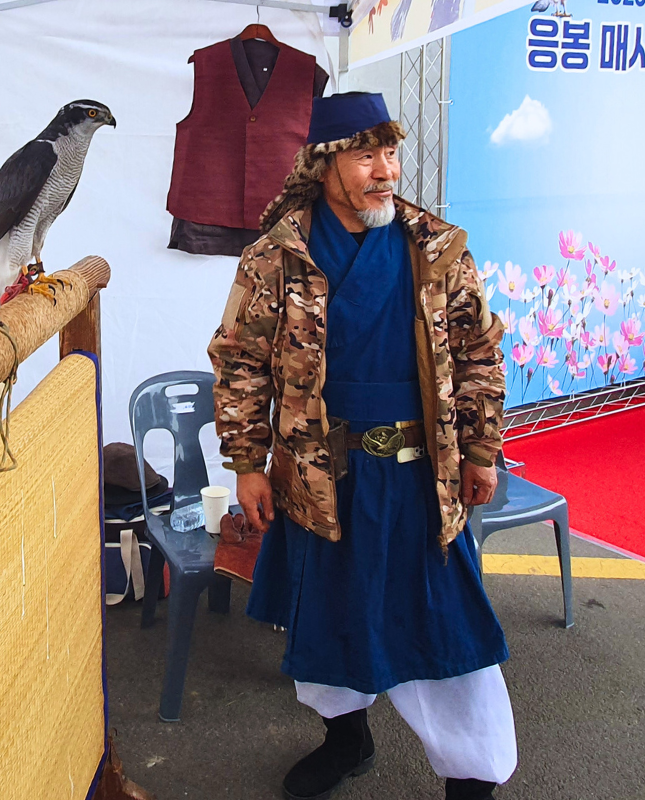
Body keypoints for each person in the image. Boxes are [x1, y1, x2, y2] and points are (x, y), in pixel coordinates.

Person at [207, 92, 515, 800]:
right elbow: (241, 362)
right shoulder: (275, 256)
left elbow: (477, 356)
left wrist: (481, 451)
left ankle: (475, 779)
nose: (385, 170)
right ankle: (347, 739)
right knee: (330, 620)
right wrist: (248, 466)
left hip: (419, 477)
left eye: (390, 152)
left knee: (449, 634)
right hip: (322, 476)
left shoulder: (436, 247)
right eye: (365, 154)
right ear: (324, 164)